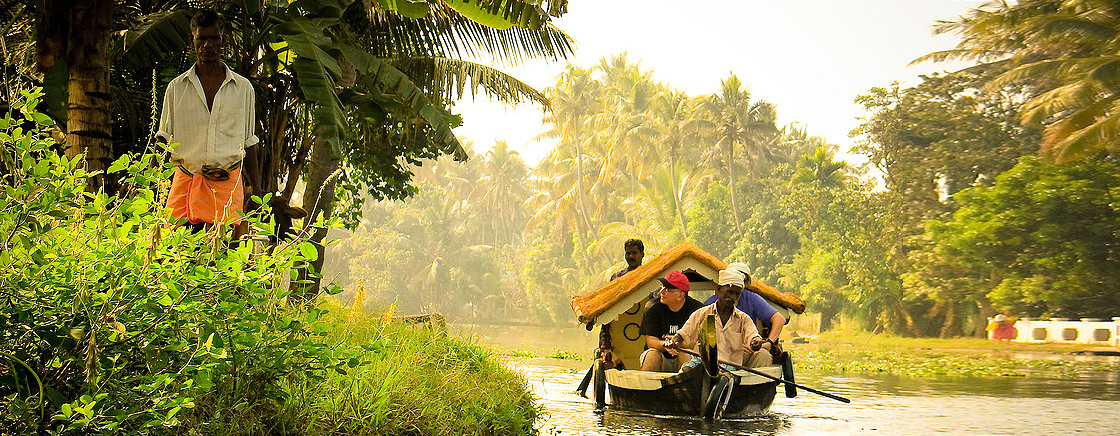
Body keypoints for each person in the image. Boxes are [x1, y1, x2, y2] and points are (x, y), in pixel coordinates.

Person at [157, 10, 259, 233]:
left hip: (227, 190)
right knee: (179, 258)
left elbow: (249, 143)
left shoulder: (243, 89)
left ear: (223, 41)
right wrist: (153, 187)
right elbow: (163, 142)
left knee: (222, 262)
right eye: (201, 38)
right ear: (191, 41)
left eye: (214, 38)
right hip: (185, 187)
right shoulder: (176, 88)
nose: (208, 45)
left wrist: (258, 191)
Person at [671, 268, 773, 370]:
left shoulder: (744, 319)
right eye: (730, 292)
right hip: (701, 362)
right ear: (719, 289)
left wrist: (755, 343)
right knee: (686, 370)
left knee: (723, 379)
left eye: (737, 294)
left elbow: (752, 335)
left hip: (729, 366)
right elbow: (683, 333)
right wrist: (674, 341)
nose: (733, 297)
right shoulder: (701, 314)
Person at [702, 262, 786, 358]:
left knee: (763, 355)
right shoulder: (708, 307)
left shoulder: (751, 302)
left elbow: (779, 319)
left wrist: (768, 343)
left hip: (747, 352)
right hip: (719, 354)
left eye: (742, 281)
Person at [638, 270, 704, 372]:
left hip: (685, 354)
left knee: (685, 356)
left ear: (680, 295)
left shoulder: (697, 310)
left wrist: (678, 344)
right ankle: (644, 387)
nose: (661, 291)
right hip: (661, 355)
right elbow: (651, 341)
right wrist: (665, 345)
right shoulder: (652, 307)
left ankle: (686, 387)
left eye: (667, 289)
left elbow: (696, 343)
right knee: (652, 356)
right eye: (662, 287)